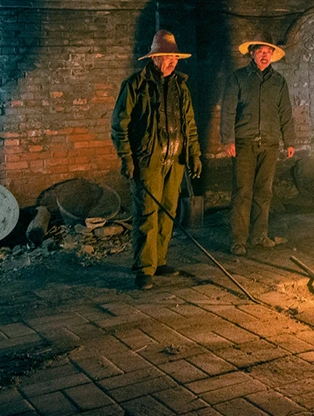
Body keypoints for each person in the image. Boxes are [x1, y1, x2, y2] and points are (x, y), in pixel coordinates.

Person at [112, 30, 203, 290]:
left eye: (175, 56)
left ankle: (159, 260)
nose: (172, 61)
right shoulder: (135, 85)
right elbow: (119, 124)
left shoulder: (179, 86)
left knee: (167, 212)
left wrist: (194, 154)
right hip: (147, 160)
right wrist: (127, 158)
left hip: (174, 160)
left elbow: (190, 124)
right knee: (146, 214)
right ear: (154, 58)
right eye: (167, 56)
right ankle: (144, 268)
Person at [220, 32, 296, 256]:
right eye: (261, 52)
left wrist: (289, 140)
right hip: (244, 144)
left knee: (264, 192)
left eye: (268, 52)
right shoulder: (238, 79)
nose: (265, 56)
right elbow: (228, 111)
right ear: (252, 54)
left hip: (270, 145)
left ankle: (259, 236)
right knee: (243, 192)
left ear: (273, 55)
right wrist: (228, 139)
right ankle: (238, 241)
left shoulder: (279, 82)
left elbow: (286, 113)